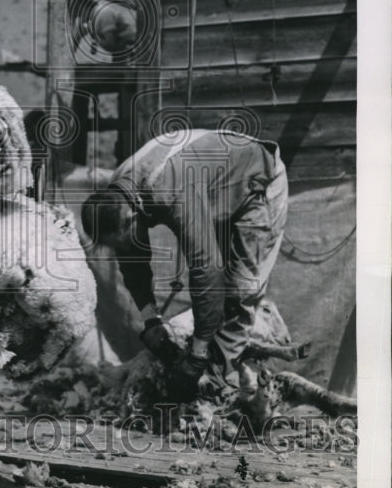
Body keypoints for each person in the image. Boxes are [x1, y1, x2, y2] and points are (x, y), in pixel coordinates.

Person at [80, 128, 288, 400]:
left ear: (132, 216)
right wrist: (150, 320)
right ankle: (212, 371)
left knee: (240, 289)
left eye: (123, 240)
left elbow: (206, 269)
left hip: (257, 180)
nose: (124, 250)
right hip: (214, 183)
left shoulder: (169, 192)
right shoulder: (120, 193)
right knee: (219, 295)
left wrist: (197, 353)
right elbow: (132, 261)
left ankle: (224, 391)